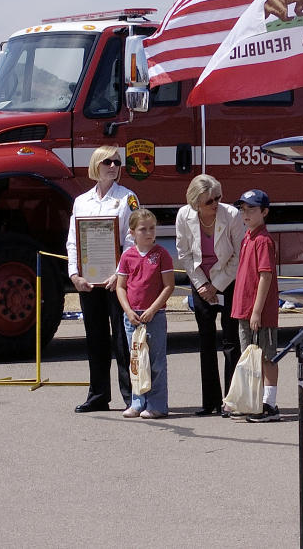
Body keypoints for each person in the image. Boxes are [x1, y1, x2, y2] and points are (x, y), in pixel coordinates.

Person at [65, 145, 136, 413]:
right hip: (88, 281)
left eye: (117, 162)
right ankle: (98, 395)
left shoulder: (128, 198)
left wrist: (119, 274)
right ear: (96, 164)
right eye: (108, 161)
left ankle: (131, 397)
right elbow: (73, 241)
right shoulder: (81, 201)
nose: (113, 166)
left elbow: (131, 242)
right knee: (95, 337)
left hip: (116, 280)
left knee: (122, 338)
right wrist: (74, 274)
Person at [175, 174, 244, 416]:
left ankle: (231, 401)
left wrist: (217, 284)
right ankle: (210, 402)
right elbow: (183, 253)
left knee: (230, 341)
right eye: (209, 202)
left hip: (227, 280)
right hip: (200, 281)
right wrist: (202, 285)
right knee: (205, 340)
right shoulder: (183, 216)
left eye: (218, 198)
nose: (215, 204)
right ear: (195, 203)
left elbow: (238, 255)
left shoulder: (232, 215)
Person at [117, 209, 176, 419]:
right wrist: (128, 310)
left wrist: (153, 309)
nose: (149, 233)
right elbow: (121, 287)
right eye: (143, 229)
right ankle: (137, 402)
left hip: (154, 315)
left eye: (152, 228)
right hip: (132, 315)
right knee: (136, 360)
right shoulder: (127, 256)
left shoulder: (161, 254)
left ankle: (157, 404)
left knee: (155, 361)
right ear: (132, 232)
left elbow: (169, 285)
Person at [231, 189, 281, 422]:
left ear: (264, 212)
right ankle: (252, 400)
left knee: (266, 357)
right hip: (244, 309)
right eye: (243, 208)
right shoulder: (247, 238)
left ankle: (269, 404)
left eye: (252, 208)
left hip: (259, 312)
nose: (246, 213)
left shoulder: (263, 240)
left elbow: (265, 276)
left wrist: (257, 310)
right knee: (249, 357)